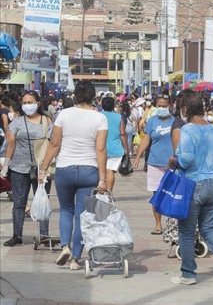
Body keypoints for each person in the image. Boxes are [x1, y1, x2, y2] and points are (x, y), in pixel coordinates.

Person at [169, 92, 213, 285]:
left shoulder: (188, 130)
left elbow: (186, 159)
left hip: (194, 184)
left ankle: (188, 273)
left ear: (185, 110)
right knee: (209, 227)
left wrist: (174, 160)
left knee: (187, 230)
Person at [39, 81, 108, 271]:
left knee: (66, 210)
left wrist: (43, 168)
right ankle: (76, 259)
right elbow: (101, 149)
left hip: (65, 169)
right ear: (94, 96)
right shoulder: (99, 118)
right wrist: (103, 178)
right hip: (89, 170)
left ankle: (64, 246)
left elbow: (54, 144)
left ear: (75, 96)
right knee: (82, 216)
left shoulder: (64, 114)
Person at [1, 91, 53, 247]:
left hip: (41, 167)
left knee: (43, 201)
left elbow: (53, 144)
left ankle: (44, 235)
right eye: (24, 102)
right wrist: (6, 165)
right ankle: (17, 235)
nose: (27, 105)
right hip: (19, 167)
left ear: (37, 104)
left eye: (30, 102)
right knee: (19, 202)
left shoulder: (47, 120)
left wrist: (49, 164)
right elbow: (11, 144)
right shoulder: (16, 122)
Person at [133, 94, 175, 235]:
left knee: (172, 194)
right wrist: (138, 156)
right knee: (156, 195)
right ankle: (158, 224)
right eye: (160, 106)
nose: (162, 108)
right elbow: (146, 140)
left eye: (165, 105)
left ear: (170, 105)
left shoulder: (175, 122)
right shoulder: (151, 121)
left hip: (172, 164)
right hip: (154, 162)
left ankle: (172, 224)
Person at [100, 97, 129, 192]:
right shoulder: (119, 117)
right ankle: (109, 193)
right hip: (115, 148)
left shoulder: (98, 115)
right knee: (110, 171)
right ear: (113, 106)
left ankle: (100, 192)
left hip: (100, 147)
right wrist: (126, 148)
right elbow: (123, 133)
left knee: (101, 171)